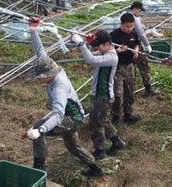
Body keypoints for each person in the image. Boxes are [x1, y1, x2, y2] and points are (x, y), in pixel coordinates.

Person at [24, 18, 103, 177]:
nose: (37, 80)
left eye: (39, 77)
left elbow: (58, 114)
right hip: (73, 114)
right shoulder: (52, 67)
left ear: (47, 75)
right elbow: (40, 52)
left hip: (72, 117)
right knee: (73, 146)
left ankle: (39, 167)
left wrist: (40, 130)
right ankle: (95, 168)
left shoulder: (59, 88)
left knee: (39, 126)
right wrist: (33, 31)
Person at [71, 30, 126, 159]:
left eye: (99, 45)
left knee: (96, 124)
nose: (97, 48)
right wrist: (87, 44)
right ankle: (117, 141)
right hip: (100, 95)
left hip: (103, 96)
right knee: (103, 120)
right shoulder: (106, 52)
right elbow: (90, 55)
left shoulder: (111, 57)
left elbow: (91, 59)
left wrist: (80, 44)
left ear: (107, 44)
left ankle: (100, 150)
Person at [110, 13, 141, 124]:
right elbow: (108, 51)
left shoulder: (133, 33)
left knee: (130, 91)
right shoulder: (114, 35)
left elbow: (137, 44)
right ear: (121, 24)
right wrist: (118, 50)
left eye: (131, 26)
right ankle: (116, 116)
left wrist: (136, 50)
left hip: (130, 66)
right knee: (118, 94)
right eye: (127, 26)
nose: (129, 29)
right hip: (118, 67)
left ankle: (128, 113)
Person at [129, 1, 158, 96]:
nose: (140, 12)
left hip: (127, 45)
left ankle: (130, 90)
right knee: (143, 65)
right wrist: (147, 44)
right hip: (136, 45)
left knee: (130, 67)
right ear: (136, 9)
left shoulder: (126, 16)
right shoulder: (134, 19)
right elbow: (140, 33)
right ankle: (148, 88)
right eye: (140, 10)